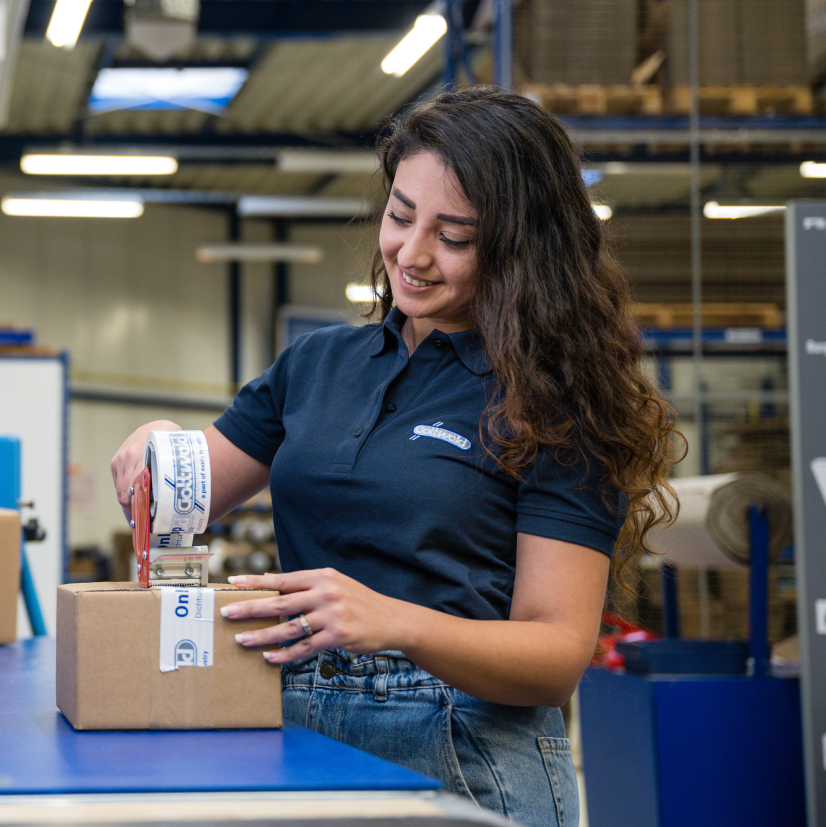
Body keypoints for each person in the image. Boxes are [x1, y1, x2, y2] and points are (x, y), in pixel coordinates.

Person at [110, 85, 681, 827]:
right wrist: (158, 444)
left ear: (520, 247)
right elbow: (177, 497)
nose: (411, 254)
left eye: (455, 235)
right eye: (400, 215)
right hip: (296, 731)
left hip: (464, 751)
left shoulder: (556, 401)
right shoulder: (316, 365)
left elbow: (556, 654)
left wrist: (393, 620)